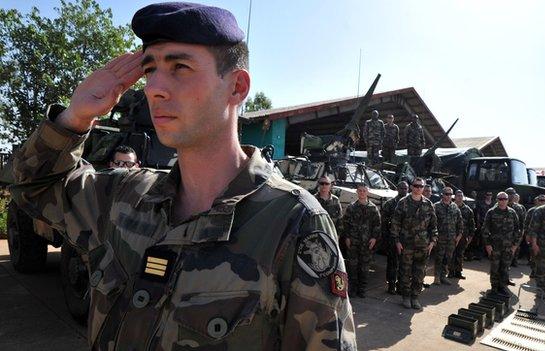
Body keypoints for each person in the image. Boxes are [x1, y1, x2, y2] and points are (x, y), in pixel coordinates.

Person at [10, 3, 356, 349]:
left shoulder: (292, 224)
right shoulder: (124, 196)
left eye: (180, 67)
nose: (153, 88)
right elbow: (33, 188)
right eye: (149, 70)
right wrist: (75, 117)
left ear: (237, 87)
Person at [391, 177, 438, 310]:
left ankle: (415, 297)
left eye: (421, 186)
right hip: (406, 245)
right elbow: (395, 223)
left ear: (423, 188)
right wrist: (397, 241)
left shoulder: (428, 204)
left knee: (419, 273)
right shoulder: (403, 203)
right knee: (405, 272)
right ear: (411, 187)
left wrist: (432, 242)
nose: (418, 188)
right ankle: (406, 297)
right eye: (416, 186)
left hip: (423, 246)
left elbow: (434, 226)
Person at [342, 183, 381, 298]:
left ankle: (362, 289)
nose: (362, 193)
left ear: (367, 192)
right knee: (352, 266)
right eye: (360, 191)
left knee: (364, 267)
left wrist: (374, 238)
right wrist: (347, 237)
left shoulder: (373, 208)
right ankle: (352, 289)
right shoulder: (351, 207)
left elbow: (377, 225)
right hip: (353, 242)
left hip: (367, 243)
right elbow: (346, 223)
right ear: (357, 192)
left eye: (364, 191)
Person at [482, 192, 520, 297]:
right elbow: (485, 230)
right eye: (500, 199)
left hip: (508, 247)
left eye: (505, 199)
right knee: (495, 268)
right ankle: (494, 288)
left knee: (505, 267)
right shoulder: (491, 212)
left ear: (508, 200)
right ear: (497, 200)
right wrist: (488, 245)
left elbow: (517, 230)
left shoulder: (512, 213)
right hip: (495, 247)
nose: (503, 201)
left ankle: (502, 287)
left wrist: (515, 245)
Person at [381, 181, 409, 294]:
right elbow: (383, 222)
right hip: (393, 238)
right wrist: (386, 238)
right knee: (392, 264)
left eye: (406, 188)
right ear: (397, 189)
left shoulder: (410, 203)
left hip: (407, 239)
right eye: (402, 188)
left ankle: (401, 286)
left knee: (405, 264)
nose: (404, 190)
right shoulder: (390, 204)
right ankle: (391, 285)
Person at [433, 187, 463, 285]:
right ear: (442, 194)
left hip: (451, 238)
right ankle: (437, 277)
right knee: (439, 257)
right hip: (440, 237)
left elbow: (460, 222)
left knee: (448, 257)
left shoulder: (455, 207)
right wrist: (433, 237)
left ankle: (443, 276)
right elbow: (432, 222)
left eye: (450, 194)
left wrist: (459, 235)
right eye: (446, 194)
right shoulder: (436, 206)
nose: (448, 196)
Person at [450, 190, 475, 279]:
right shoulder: (450, 207)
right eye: (458, 195)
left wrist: (470, 237)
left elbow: (472, 224)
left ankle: (458, 272)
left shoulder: (468, 210)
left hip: (463, 236)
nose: (459, 197)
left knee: (460, 254)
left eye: (461, 196)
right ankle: (450, 272)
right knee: (451, 254)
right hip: (451, 235)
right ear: (455, 197)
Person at [525, 194, 545, 278]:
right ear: (537, 201)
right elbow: (526, 223)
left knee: (544, 256)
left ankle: (542, 273)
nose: (542, 202)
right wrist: (527, 235)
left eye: (544, 200)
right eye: (540, 200)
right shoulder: (531, 211)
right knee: (534, 255)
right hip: (534, 237)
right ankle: (534, 271)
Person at [469, 191, 493, 261]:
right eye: (488, 194)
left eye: (490, 195)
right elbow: (478, 214)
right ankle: (480, 255)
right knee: (481, 240)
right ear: (485, 195)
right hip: (482, 224)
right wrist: (478, 223)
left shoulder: (494, 204)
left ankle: (489, 254)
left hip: (491, 225)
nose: (489, 196)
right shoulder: (481, 203)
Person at [506, 188, 526, 268]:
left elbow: (522, 221)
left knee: (515, 248)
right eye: (509, 194)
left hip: (515, 232)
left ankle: (513, 261)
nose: (511, 196)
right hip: (502, 233)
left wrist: (522, 232)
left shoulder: (519, 208)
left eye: (512, 194)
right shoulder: (499, 205)